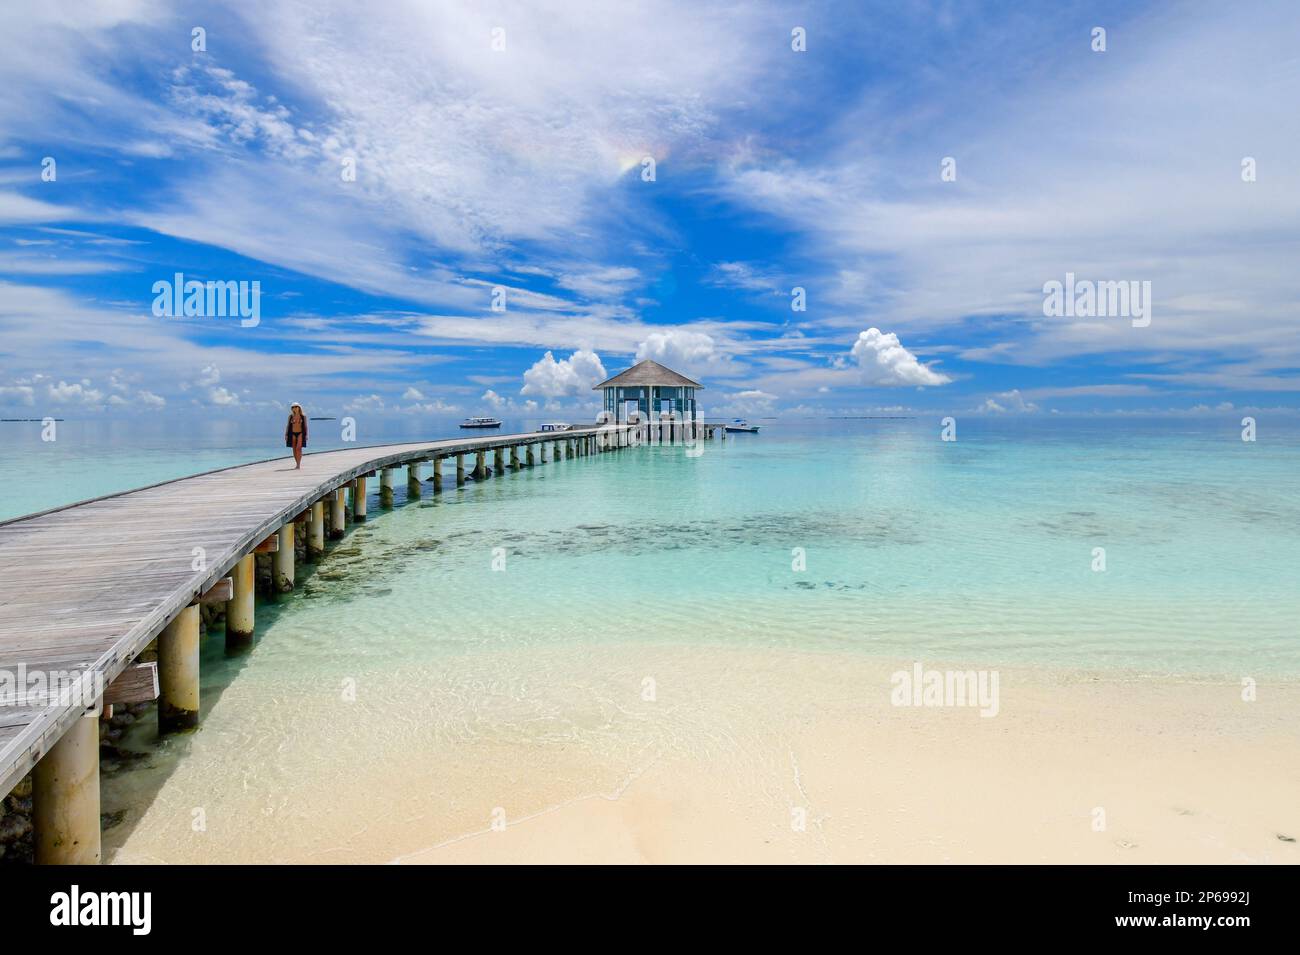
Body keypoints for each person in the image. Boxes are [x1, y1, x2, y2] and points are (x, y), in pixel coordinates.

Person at [285, 402, 307, 469]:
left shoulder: (303, 416)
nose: (294, 408)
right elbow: (288, 426)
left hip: (300, 433)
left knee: (298, 448)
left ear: (299, 407)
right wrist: (286, 434)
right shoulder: (290, 416)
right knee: (294, 449)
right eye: (293, 407)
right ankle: (297, 464)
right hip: (292, 433)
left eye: (296, 407)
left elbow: (305, 426)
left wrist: (306, 435)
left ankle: (299, 464)